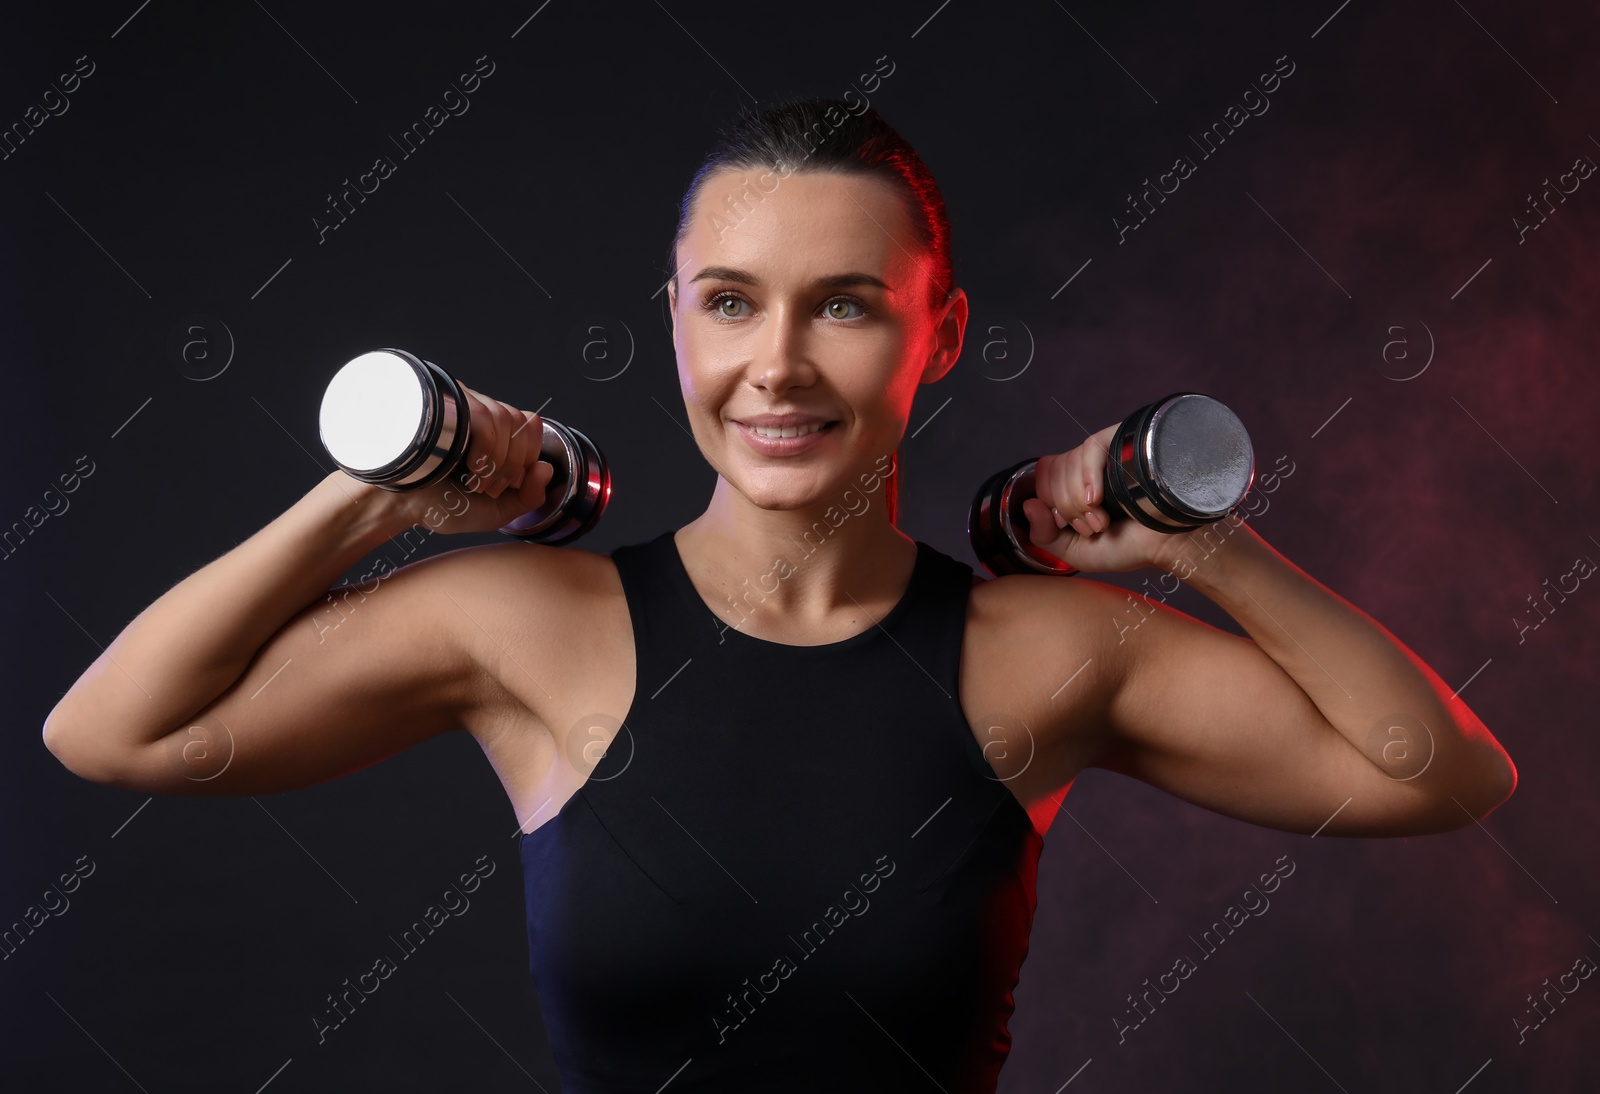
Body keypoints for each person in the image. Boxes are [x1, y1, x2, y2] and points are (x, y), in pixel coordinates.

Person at [42, 97, 1515, 1092]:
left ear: (938, 342)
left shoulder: (1046, 652)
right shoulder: (523, 627)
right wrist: (374, 495)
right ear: (675, 325)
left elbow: (1439, 771)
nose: (782, 366)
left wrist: (1196, 545)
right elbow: (112, 731)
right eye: (734, 301)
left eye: (850, 305)